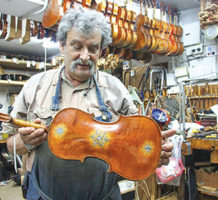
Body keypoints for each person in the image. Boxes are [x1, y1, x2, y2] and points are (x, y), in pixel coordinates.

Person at [3, 6, 174, 200]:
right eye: (76, 46)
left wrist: (155, 153)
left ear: (101, 51)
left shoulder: (116, 89)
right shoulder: (35, 86)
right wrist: (23, 142)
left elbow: (136, 142)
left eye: (92, 49)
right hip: (45, 195)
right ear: (62, 45)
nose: (85, 56)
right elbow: (10, 145)